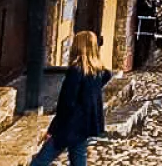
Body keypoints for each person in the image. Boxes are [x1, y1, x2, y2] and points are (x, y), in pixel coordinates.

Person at [28, 31, 111, 166]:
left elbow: (66, 103)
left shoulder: (76, 71)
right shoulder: (98, 72)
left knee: (40, 161)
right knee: (78, 158)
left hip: (69, 125)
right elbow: (107, 75)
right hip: (84, 126)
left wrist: (53, 129)